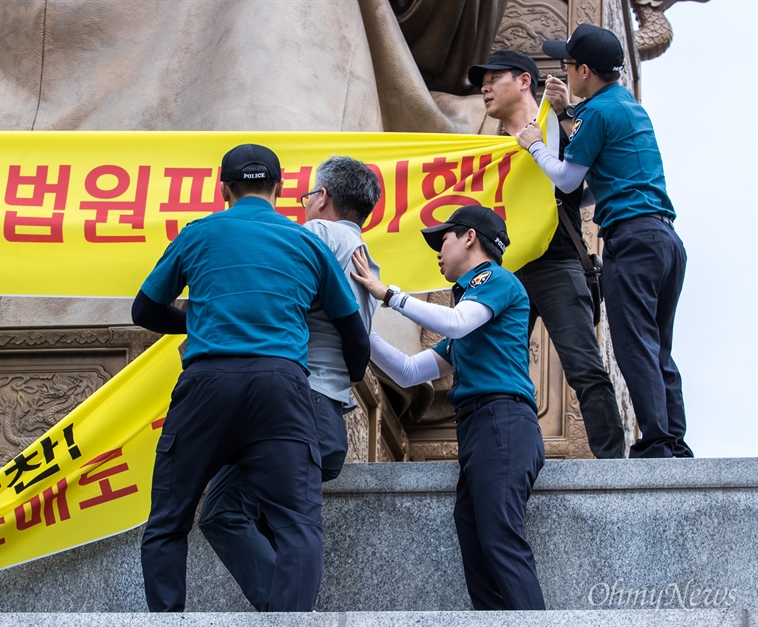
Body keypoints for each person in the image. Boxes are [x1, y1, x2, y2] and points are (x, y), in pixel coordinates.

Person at [132, 144, 370, 612]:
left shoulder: (198, 233)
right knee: (297, 524)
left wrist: (202, 318)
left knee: (168, 520)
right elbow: (352, 332)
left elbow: (144, 309)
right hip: (281, 387)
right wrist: (351, 376)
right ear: (279, 189)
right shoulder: (306, 242)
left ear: (224, 189)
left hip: (206, 384)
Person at [198, 156, 382, 611]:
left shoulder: (316, 236)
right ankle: (290, 607)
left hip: (295, 406)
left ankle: (291, 612)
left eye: (306, 198)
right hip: (327, 413)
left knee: (224, 512)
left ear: (322, 198)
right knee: (268, 520)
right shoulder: (367, 261)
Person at [351, 204, 545, 611]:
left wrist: (388, 294)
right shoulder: (472, 317)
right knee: (475, 535)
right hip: (480, 428)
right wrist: (358, 330)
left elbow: (456, 323)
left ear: (470, 237)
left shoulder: (494, 281)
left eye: (444, 240)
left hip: (502, 420)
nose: (438, 252)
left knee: (499, 537)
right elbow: (408, 371)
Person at [516, 24, 691, 459]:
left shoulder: (596, 114)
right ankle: (674, 441)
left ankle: (655, 444)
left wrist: (537, 145)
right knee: (659, 347)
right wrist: (569, 112)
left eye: (568, 65)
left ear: (584, 70)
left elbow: (568, 178)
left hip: (631, 241)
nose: (564, 71)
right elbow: (596, 183)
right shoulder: (627, 106)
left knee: (634, 347)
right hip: (665, 240)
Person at [468, 50, 625, 459]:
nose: (484, 86)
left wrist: (564, 115)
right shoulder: (483, 154)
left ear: (524, 81)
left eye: (494, 77)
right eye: (481, 80)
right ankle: (508, 459)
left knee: (585, 369)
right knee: (499, 374)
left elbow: (588, 183)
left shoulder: (560, 129)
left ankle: (614, 467)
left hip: (557, 264)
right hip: (506, 272)